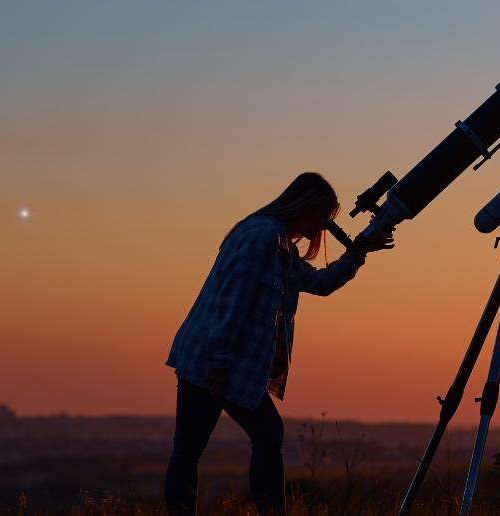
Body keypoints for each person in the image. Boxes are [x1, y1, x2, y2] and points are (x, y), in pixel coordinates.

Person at [164, 172, 394, 515]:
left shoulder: (279, 244)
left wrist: (360, 251)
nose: (322, 226)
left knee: (195, 448)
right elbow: (233, 299)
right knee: (258, 435)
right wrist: (220, 359)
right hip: (214, 359)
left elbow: (320, 283)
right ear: (306, 206)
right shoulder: (264, 237)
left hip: (219, 359)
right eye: (323, 216)